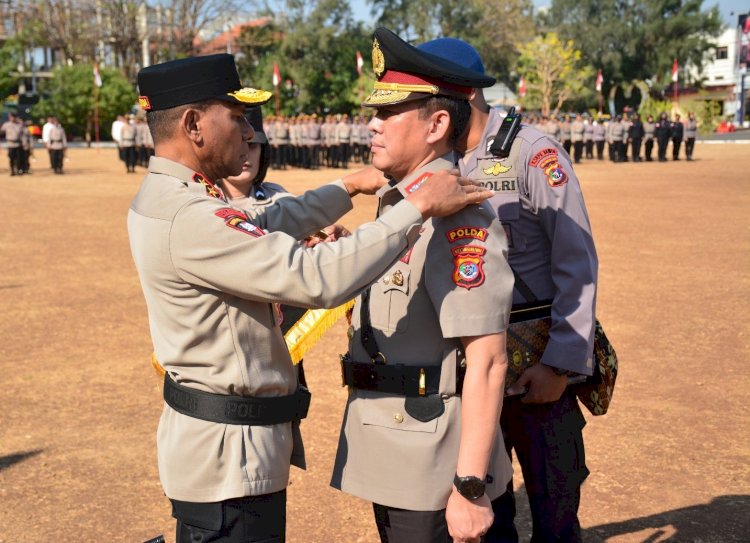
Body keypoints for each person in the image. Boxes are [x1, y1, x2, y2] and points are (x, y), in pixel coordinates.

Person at [128, 52, 491, 543]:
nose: (250, 134)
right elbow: (315, 278)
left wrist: (346, 187)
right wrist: (415, 207)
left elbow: (263, 223)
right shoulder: (189, 216)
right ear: (193, 125)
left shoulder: (178, 199)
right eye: (235, 118)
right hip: (225, 458)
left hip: (225, 450)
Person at [331, 28, 516, 543]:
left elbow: (486, 360)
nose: (372, 124)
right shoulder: (400, 206)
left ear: (437, 124)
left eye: (388, 113)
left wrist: (471, 487)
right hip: (394, 449)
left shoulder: (458, 220)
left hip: (435, 469)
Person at [420, 37, 598, 543]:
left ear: (461, 96)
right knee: (486, 516)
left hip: (537, 370)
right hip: (468, 377)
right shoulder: (435, 164)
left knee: (554, 510)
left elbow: (576, 264)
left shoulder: (532, 154)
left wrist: (561, 365)